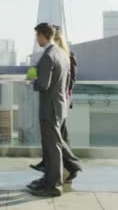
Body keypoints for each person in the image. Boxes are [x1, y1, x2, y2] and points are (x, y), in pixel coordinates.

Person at [27, 23, 80, 197]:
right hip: (58, 105)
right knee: (54, 146)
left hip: (49, 107)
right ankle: (49, 181)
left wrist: (31, 82)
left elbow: (43, 84)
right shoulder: (62, 54)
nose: (36, 39)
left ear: (43, 35)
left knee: (53, 147)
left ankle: (53, 185)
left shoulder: (48, 56)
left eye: (37, 36)